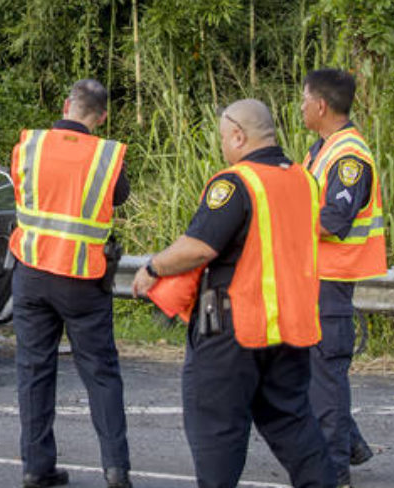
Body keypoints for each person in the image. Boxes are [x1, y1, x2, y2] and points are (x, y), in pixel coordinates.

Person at [131, 99, 334, 488]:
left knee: (216, 434)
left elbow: (200, 247)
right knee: (293, 425)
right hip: (288, 329)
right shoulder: (304, 181)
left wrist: (153, 267)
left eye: (224, 138)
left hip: (233, 331)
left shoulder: (236, 182)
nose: (223, 146)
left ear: (238, 136)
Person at [9, 79, 133, 488]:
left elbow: (22, 192)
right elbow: (118, 198)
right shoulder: (107, 156)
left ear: (65, 105)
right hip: (83, 279)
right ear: (102, 116)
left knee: (34, 371)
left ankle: (35, 467)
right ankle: (115, 469)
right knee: (101, 374)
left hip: (31, 273)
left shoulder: (29, 146)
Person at [300, 70, 385, 487]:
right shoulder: (323, 149)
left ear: (321, 106)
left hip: (331, 279)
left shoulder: (348, 156)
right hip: (314, 277)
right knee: (312, 372)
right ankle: (350, 445)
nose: (300, 108)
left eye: (303, 100)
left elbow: (333, 219)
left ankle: (334, 471)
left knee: (326, 374)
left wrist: (283, 218)